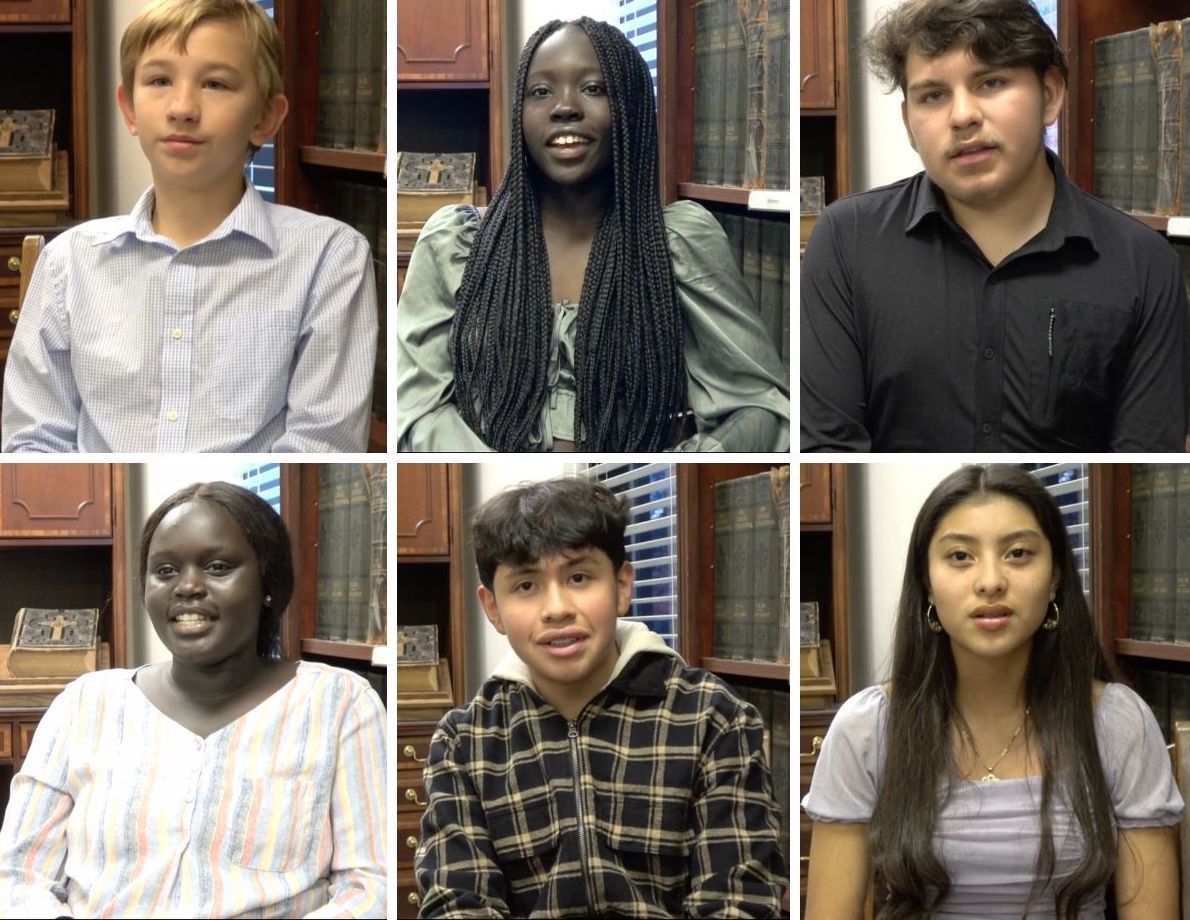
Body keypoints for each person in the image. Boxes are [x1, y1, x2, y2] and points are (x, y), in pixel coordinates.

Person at [800, 0, 1189, 452]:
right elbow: (826, 444)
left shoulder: (1144, 265)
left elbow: (1145, 455)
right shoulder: (848, 240)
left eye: (991, 82)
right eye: (933, 95)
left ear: (1050, 95)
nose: (962, 116)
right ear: (909, 124)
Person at [802, 465, 1183, 918]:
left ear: (1056, 574)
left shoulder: (1119, 724)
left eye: (1018, 553)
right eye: (960, 556)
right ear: (927, 581)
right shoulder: (866, 728)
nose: (990, 581)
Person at [396, 18, 789, 452]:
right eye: (540, 92)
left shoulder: (677, 244)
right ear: (519, 116)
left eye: (593, 88)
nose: (564, 107)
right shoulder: (456, 243)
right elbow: (419, 410)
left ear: (632, 108)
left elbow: (761, 407)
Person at [2, 0, 377, 452]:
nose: (182, 107)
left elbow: (323, 445)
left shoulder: (329, 258)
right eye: (159, 80)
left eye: (215, 84)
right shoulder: (68, 262)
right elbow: (33, 440)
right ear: (130, 109)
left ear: (265, 118)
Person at [0, 481, 387, 918]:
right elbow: (19, 877)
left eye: (218, 567)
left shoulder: (339, 704)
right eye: (164, 571)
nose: (187, 587)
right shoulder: (83, 705)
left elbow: (371, 885)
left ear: (268, 585)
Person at [413, 477, 786, 916]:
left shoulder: (711, 718)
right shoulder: (466, 742)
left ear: (622, 586)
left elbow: (740, 899)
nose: (556, 608)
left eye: (579, 576)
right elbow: (457, 903)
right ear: (493, 607)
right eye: (526, 586)